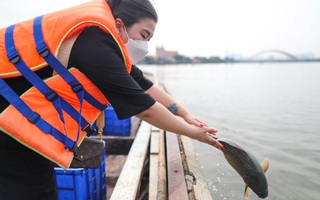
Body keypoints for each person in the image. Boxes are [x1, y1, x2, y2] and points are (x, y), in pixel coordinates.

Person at [0, 0, 223, 199]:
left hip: (15, 111)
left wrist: (185, 114)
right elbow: (145, 109)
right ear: (119, 25)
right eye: (144, 35)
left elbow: (145, 85)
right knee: (36, 190)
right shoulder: (96, 47)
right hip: (6, 118)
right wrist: (193, 133)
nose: (144, 45)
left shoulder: (104, 42)